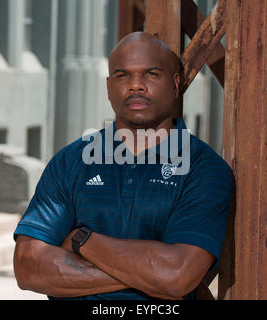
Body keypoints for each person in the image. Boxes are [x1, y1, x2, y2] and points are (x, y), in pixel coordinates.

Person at [13, 31, 234, 300]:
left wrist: (81, 240)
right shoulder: (70, 161)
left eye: (151, 74)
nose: (136, 86)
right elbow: (28, 267)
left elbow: (176, 276)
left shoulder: (204, 169)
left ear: (176, 84)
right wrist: (146, 273)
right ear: (108, 87)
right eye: (123, 75)